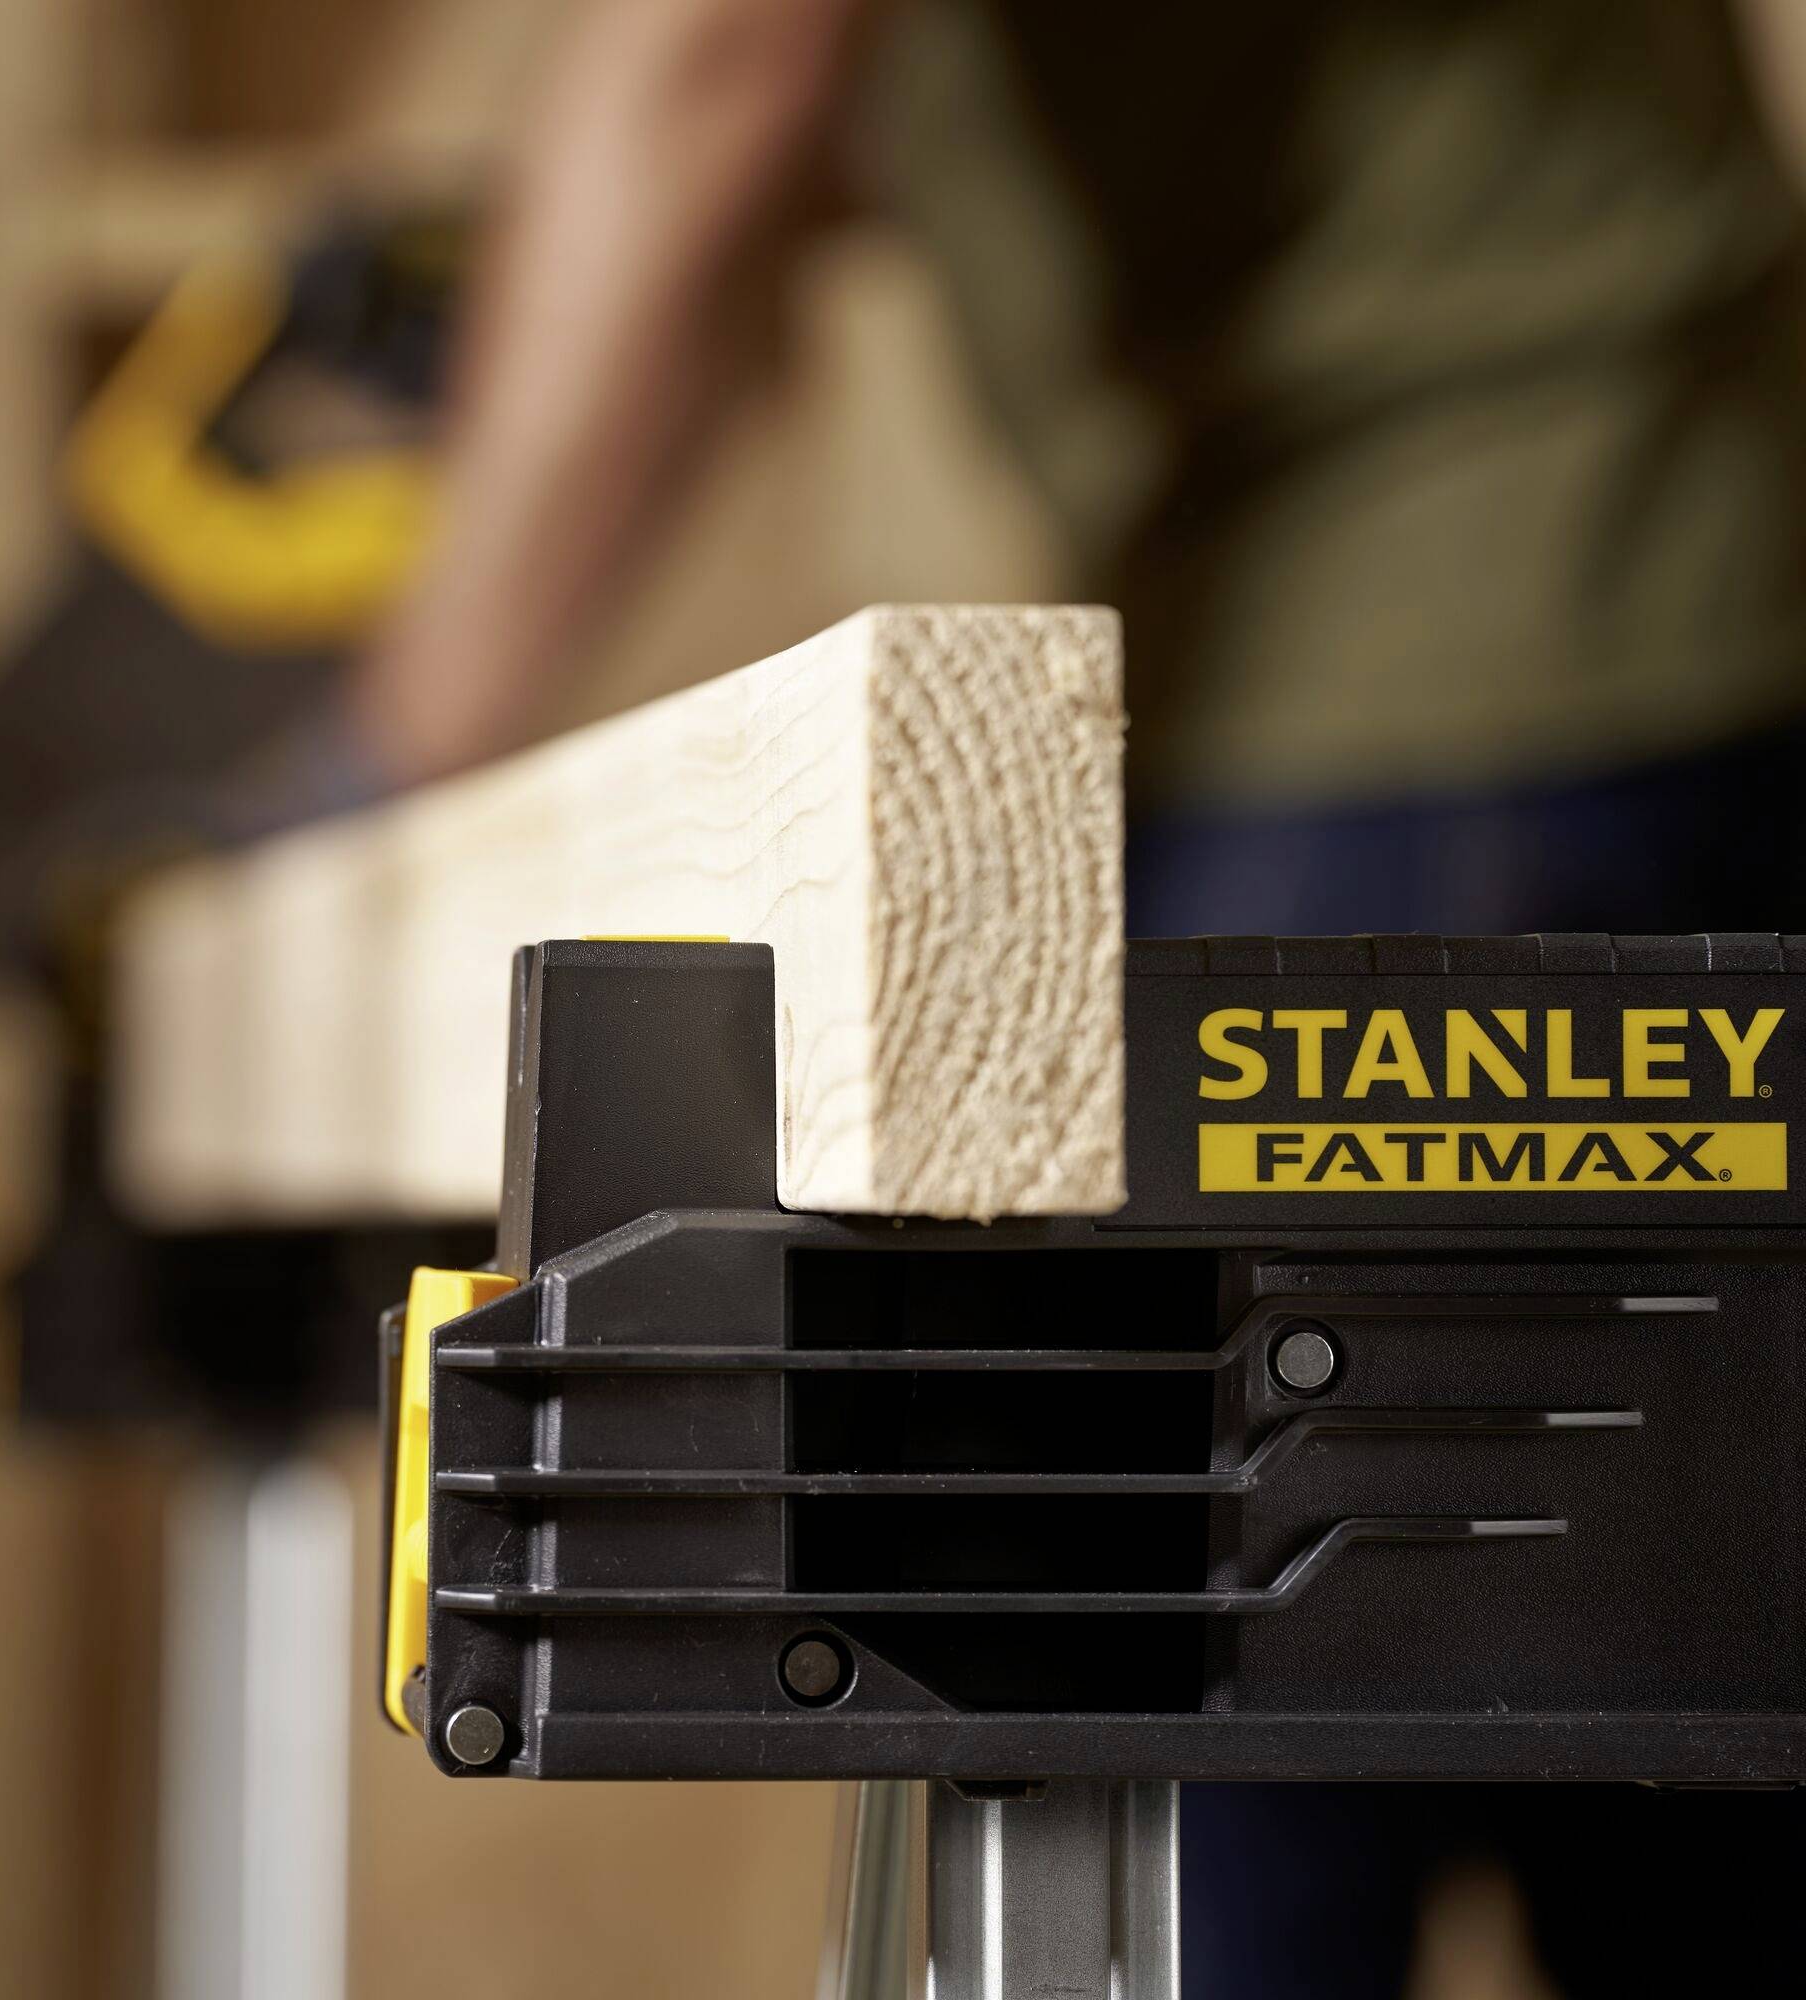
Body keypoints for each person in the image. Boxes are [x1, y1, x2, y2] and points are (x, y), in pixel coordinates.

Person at [339, 2, 1806, 1991]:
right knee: (1649, 1745)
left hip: (1452, 652)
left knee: (1209, 1771)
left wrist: (385, 770)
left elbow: (720, 53)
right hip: (1637, 603)